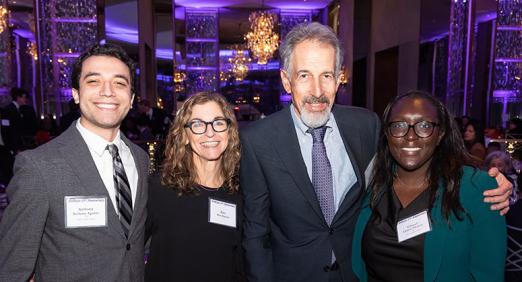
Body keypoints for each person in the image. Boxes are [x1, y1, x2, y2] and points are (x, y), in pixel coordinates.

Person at [240, 22, 512, 282]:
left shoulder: (364, 125)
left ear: (338, 79)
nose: (317, 91)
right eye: (304, 76)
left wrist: (488, 180)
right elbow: (255, 233)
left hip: (356, 273)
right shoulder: (258, 140)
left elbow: (408, 159)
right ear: (287, 82)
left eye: (326, 76)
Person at [0, 43, 149, 281]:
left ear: (131, 99)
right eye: (94, 81)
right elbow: (13, 267)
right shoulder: (38, 166)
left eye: (120, 83)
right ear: (76, 94)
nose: (108, 91)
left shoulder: (140, 159)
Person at [352, 91, 506, 281]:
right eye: (399, 125)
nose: (410, 136)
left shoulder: (476, 188)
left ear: (440, 134)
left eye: (424, 126)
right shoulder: (373, 183)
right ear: (386, 133)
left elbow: (489, 274)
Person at [145, 92, 244, 281]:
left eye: (218, 122)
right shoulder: (158, 189)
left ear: (229, 131)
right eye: (198, 124)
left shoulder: (240, 192)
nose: (210, 132)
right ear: (185, 135)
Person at [1, 87, 38, 152]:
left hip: (19, 145)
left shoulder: (20, 110)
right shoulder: (8, 110)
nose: (25, 99)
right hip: (12, 147)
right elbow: (6, 130)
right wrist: (11, 148)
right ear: (18, 97)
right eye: (24, 97)